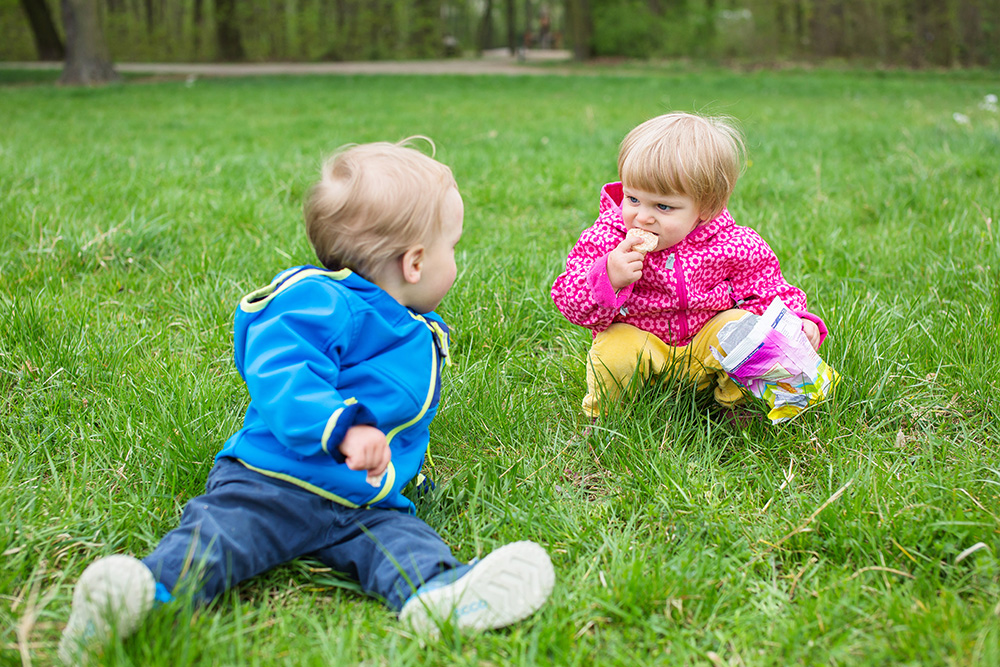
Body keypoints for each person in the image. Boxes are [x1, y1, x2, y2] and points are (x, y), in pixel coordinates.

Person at [59, 139, 555, 663]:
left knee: (402, 542)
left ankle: (437, 594)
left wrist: (405, 468)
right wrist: (344, 427)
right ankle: (142, 596)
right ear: (414, 263)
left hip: (363, 501)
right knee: (220, 537)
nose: (455, 259)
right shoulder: (323, 300)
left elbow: (392, 406)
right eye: (452, 246)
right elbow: (283, 369)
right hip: (274, 482)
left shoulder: (398, 321)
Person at [551, 112, 829, 419]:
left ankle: (735, 408)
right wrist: (607, 277)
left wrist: (798, 321)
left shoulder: (731, 242)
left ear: (706, 208)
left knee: (742, 324)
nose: (642, 217)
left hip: (706, 349)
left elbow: (766, 289)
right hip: (644, 347)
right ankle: (606, 419)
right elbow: (568, 300)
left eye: (663, 206)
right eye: (632, 199)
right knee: (613, 348)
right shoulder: (608, 240)